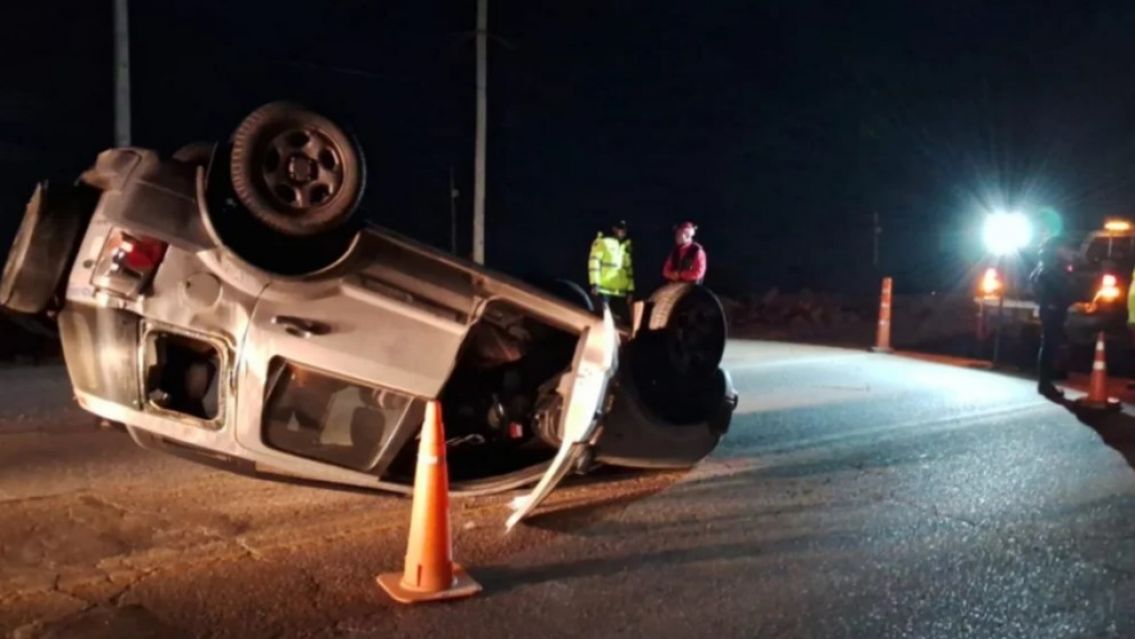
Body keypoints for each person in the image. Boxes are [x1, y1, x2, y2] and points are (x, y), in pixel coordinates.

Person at [1030, 235, 1077, 399]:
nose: (1069, 251)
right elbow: (1056, 289)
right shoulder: (1051, 268)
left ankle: (1047, 380)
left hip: (1053, 308)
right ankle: (1045, 383)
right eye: (1066, 248)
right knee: (1049, 345)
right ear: (1058, 249)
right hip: (1052, 309)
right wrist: (1056, 302)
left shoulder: (1049, 266)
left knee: (1052, 344)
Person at [587, 220, 635, 321]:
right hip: (604, 291)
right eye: (621, 229)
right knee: (602, 321)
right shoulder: (602, 241)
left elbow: (629, 271)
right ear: (614, 229)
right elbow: (594, 262)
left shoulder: (626, 246)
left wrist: (630, 290)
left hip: (620, 293)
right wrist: (594, 283)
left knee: (621, 324)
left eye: (625, 229)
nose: (623, 232)